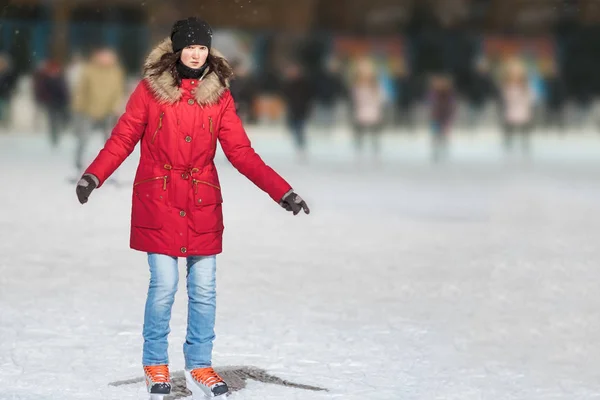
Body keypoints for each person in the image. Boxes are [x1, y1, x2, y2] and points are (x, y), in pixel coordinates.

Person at [75, 17, 310, 399]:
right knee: (165, 285)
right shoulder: (150, 91)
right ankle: (155, 363)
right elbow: (122, 139)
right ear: (177, 49)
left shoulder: (219, 95)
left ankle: (200, 364)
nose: (197, 53)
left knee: (204, 290)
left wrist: (281, 192)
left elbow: (241, 153)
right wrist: (94, 176)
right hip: (159, 200)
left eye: (203, 47)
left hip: (201, 202)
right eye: (190, 46)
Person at [72, 47, 125, 174]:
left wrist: (116, 107)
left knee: (110, 142)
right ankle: (78, 166)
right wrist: (78, 107)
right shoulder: (89, 70)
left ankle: (110, 168)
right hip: (88, 111)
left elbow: (118, 91)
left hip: (108, 112)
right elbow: (81, 90)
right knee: (83, 139)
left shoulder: (116, 72)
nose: (106, 60)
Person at [428, 73, 456, 163]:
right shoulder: (433, 94)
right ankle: (436, 149)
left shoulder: (448, 95)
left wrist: (450, 116)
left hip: (444, 117)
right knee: (436, 134)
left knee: (443, 134)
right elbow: (430, 104)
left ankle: (443, 148)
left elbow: (451, 106)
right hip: (436, 117)